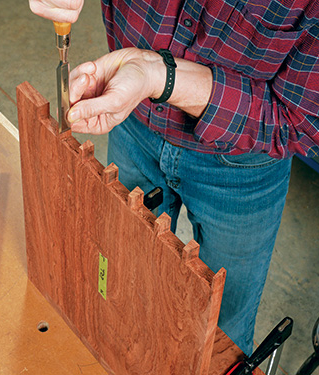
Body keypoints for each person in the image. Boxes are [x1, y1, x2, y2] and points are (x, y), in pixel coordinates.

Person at [29, 0, 319, 355]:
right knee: (118, 282)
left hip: (243, 163)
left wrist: (157, 75)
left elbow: (295, 121)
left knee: (219, 337)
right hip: (132, 114)